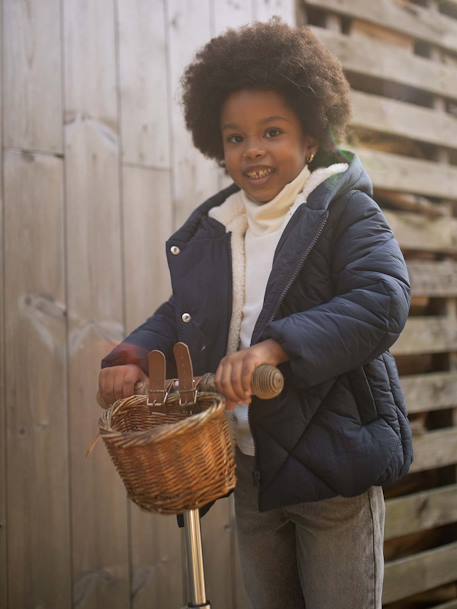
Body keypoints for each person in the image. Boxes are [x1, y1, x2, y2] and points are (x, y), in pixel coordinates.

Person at [98, 19, 413, 609]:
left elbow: (383, 301)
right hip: (249, 469)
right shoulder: (218, 229)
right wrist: (130, 354)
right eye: (236, 138)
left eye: (273, 131)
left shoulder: (347, 213)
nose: (254, 150)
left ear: (312, 137)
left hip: (335, 468)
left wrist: (275, 347)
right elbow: (179, 315)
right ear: (219, 146)